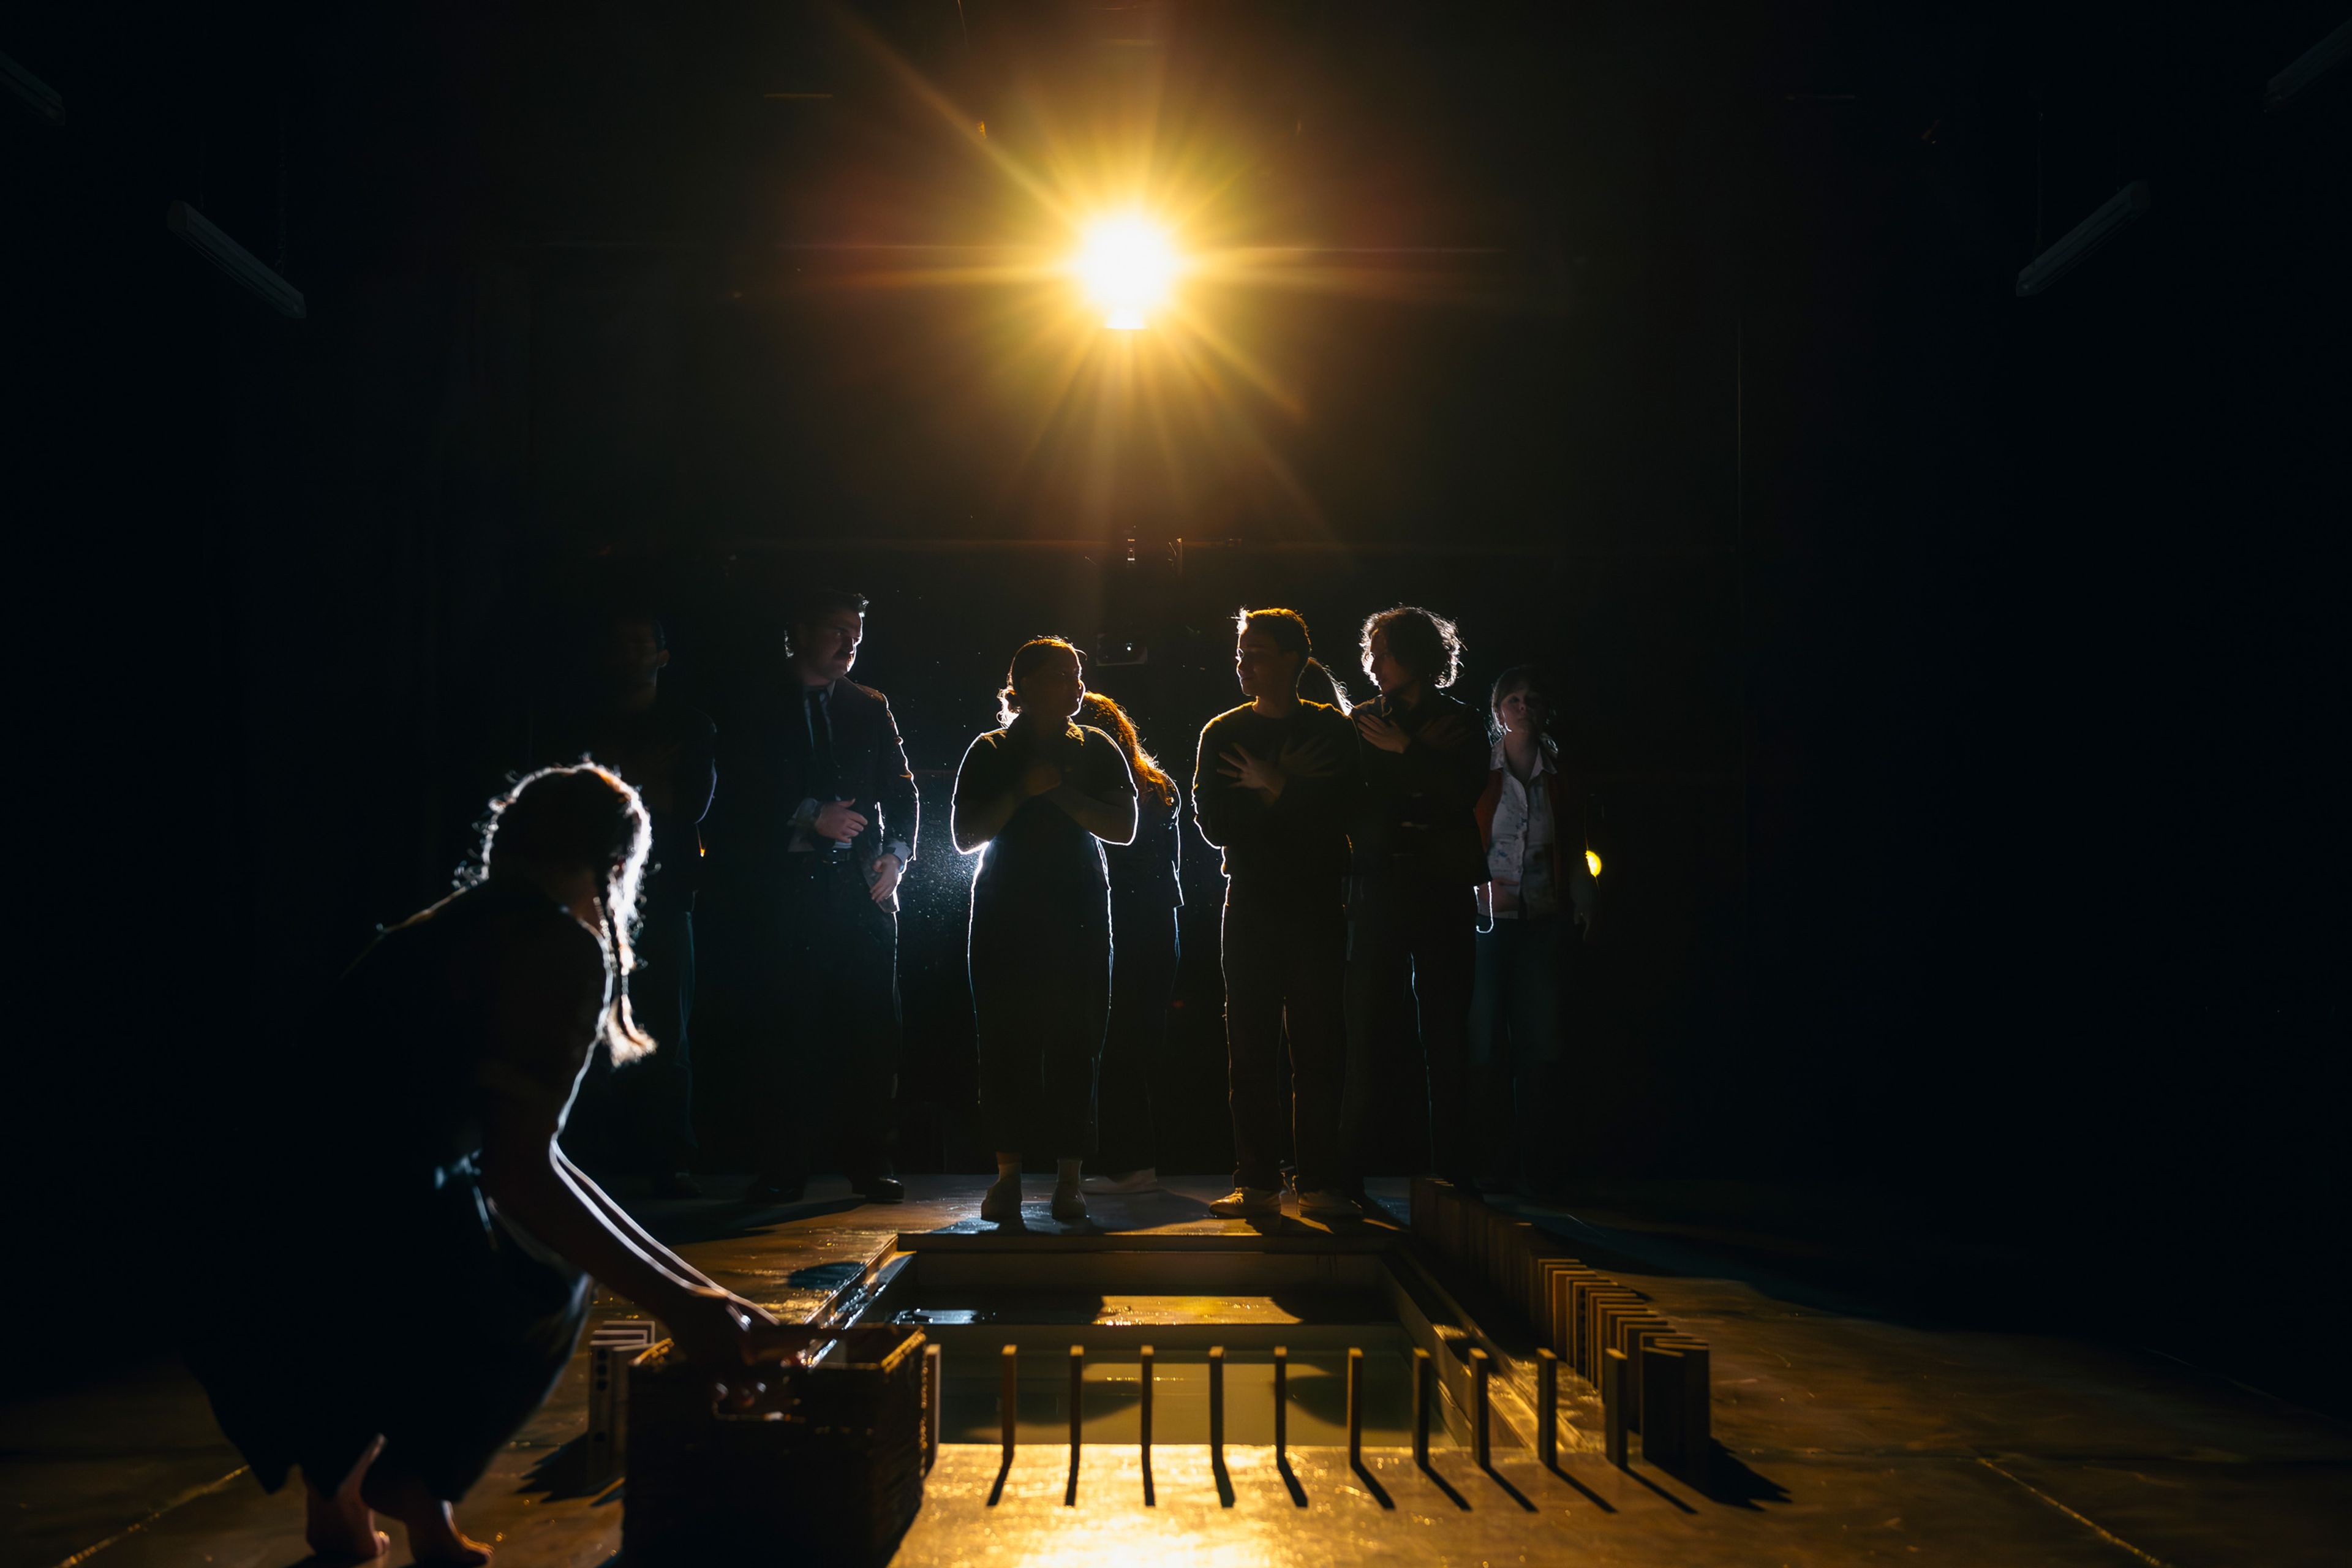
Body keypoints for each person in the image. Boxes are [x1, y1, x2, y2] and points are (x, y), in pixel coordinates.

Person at [184, 766, 776, 1567]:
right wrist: (684, 1308)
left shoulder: (443, 926)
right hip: (322, 1258)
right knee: (545, 1272)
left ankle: (348, 1511)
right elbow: (522, 1176)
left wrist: (701, 1295)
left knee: (441, 1205)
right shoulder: (553, 946)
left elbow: (531, 1161)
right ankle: (416, 1478)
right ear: (616, 867)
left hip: (234, 1239)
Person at [712, 590, 918, 1206]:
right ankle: (782, 1165)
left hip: (860, 892)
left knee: (872, 1030)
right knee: (785, 1028)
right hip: (782, 892)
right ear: (799, 632)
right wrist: (808, 816)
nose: (851, 641)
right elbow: (732, 792)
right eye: (837, 629)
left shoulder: (869, 705)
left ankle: (870, 1162)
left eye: (857, 630)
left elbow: (902, 790)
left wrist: (898, 856)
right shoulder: (754, 701)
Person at [951, 638, 1138, 1225]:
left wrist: (1057, 790)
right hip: (1007, 910)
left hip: (1079, 910)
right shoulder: (988, 750)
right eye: (1064, 675)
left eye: (1079, 675)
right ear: (1026, 684)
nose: (1079, 687)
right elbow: (964, 836)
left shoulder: (1099, 746)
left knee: (1075, 1042)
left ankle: (1068, 1180)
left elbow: (1125, 827)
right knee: (1003, 1042)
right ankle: (1007, 1179)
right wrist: (1020, 792)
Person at [1193, 608, 1363, 1219]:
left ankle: (1318, 1182)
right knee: (1250, 1045)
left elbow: (1340, 817)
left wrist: (1272, 784)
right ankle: (1258, 1182)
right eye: (1241, 651)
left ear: (1293, 658)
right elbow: (1214, 823)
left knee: (1319, 1045)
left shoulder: (1332, 731)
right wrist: (1289, 791)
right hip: (1253, 902)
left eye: (1257, 651)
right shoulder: (1221, 732)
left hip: (1317, 901)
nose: (1244, 662)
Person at [548, 609, 715, 1199]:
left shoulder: (689, 725)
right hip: (589, 890)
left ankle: (670, 1157)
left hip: (666, 891)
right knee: (584, 1018)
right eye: (619, 642)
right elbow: (570, 805)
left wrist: (618, 783)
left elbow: (689, 804)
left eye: (641, 643)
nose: (630, 654)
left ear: (662, 656)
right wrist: (642, 782)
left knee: (668, 1027)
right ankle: (590, 1155)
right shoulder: (576, 724)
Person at [1339, 605, 1491, 1193]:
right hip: (1378, 884)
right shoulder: (1361, 720)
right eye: (1372, 652)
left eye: (1384, 651)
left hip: (1441, 888)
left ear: (1414, 655)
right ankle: (1348, 1168)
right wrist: (1418, 761)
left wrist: (1407, 752)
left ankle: (1454, 1172)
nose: (1373, 664)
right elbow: (1357, 804)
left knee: (1446, 1031)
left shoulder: (1461, 721)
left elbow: (1461, 796)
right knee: (1365, 1029)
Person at [1469, 665, 1596, 1194]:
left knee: (1541, 1040)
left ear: (1545, 711)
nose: (1522, 707)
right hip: (1485, 922)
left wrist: (1586, 894)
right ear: (1499, 711)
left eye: (1532, 699)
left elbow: (1574, 839)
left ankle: (1538, 1164)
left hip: (1542, 919)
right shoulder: (1480, 769)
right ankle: (1486, 1164)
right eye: (1513, 699)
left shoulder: (1560, 773)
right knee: (1482, 1040)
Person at [1078, 691, 1182, 1196]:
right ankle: (1132, 1161)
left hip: (1121, 920)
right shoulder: (1158, 785)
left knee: (1113, 1042)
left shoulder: (1098, 785)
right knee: (1137, 1043)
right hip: (1161, 924)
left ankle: (1128, 1165)